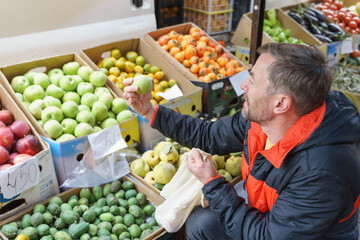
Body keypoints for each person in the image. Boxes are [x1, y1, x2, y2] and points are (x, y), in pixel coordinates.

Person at [123, 43, 360, 239]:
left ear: (281, 103)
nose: (243, 85)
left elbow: (266, 236)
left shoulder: (322, 173)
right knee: (202, 222)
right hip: (270, 215)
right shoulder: (266, 119)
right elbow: (210, 135)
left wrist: (213, 183)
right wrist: (150, 111)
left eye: (253, 80)